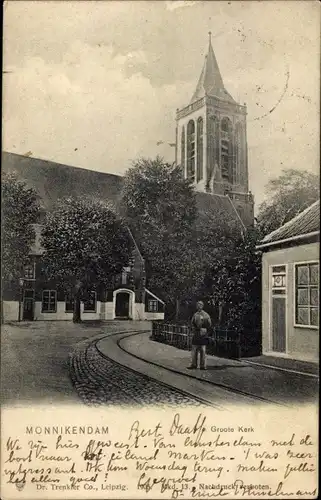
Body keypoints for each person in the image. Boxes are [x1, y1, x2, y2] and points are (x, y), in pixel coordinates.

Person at [188, 301, 212, 370]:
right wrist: (192, 328)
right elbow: (192, 323)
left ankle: (202, 365)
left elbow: (209, 324)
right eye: (197, 305)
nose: (198, 307)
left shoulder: (206, 315)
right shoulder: (195, 314)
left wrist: (205, 329)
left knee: (203, 350)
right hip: (196, 333)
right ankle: (193, 364)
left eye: (200, 305)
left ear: (202, 306)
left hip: (203, 333)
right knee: (194, 350)